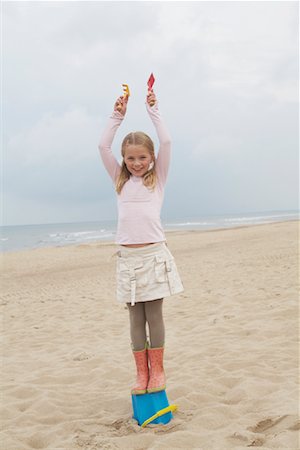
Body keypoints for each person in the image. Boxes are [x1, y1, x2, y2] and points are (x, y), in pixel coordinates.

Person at [98, 85, 184, 396]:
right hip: (128, 260)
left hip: (153, 255)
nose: (137, 163)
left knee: (154, 315)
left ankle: (158, 369)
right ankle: (141, 372)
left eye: (142, 157)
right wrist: (117, 114)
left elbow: (167, 140)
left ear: (151, 158)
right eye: (131, 158)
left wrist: (153, 110)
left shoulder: (157, 178)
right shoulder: (119, 180)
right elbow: (102, 146)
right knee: (135, 318)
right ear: (123, 160)